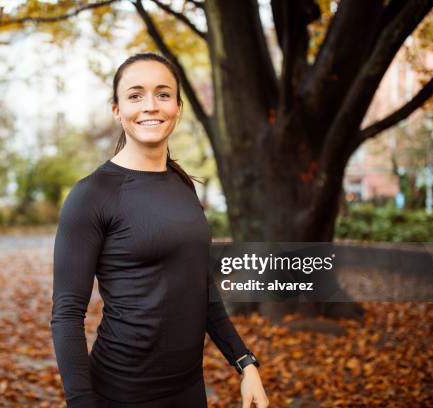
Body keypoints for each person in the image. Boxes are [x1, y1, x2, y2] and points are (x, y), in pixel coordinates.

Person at [50, 52, 269, 408]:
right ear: (117, 110)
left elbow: (200, 286)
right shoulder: (92, 195)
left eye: (163, 94)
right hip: (121, 394)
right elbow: (66, 315)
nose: (150, 105)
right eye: (135, 95)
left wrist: (245, 363)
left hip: (188, 392)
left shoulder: (184, 186)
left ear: (178, 108)